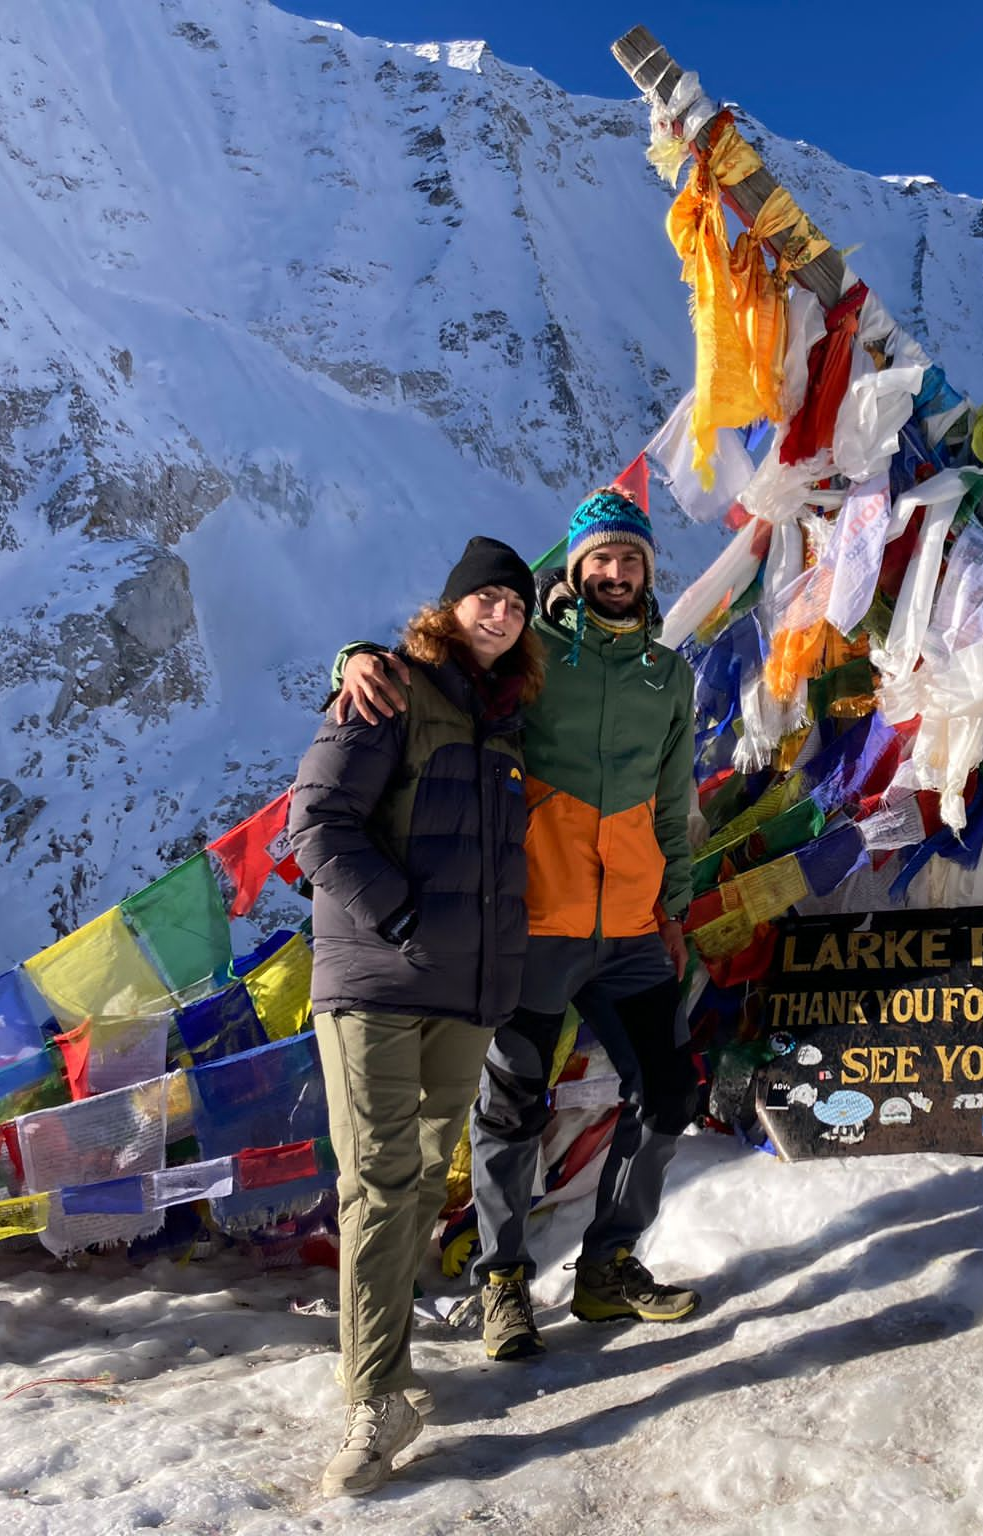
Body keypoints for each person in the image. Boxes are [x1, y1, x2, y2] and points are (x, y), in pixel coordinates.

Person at [332, 485, 704, 1364]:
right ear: (575, 572)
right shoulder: (534, 657)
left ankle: (610, 1263)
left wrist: (676, 909)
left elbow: (674, 800)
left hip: (632, 932)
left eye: (631, 559)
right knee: (510, 1109)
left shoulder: (669, 674)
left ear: (648, 572)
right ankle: (500, 1279)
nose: (616, 573)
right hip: (534, 925)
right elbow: (437, 667)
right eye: (601, 559)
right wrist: (352, 656)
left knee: (671, 1092)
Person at [289, 536, 542, 1499]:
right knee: (383, 1186)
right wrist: (396, 914)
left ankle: (383, 1357)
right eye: (483, 599)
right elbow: (313, 821)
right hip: (379, 983)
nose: (499, 615)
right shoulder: (389, 688)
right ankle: (376, 1395)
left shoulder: (507, 719)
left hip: (465, 995)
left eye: (515, 606)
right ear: (449, 607)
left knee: (418, 1180)